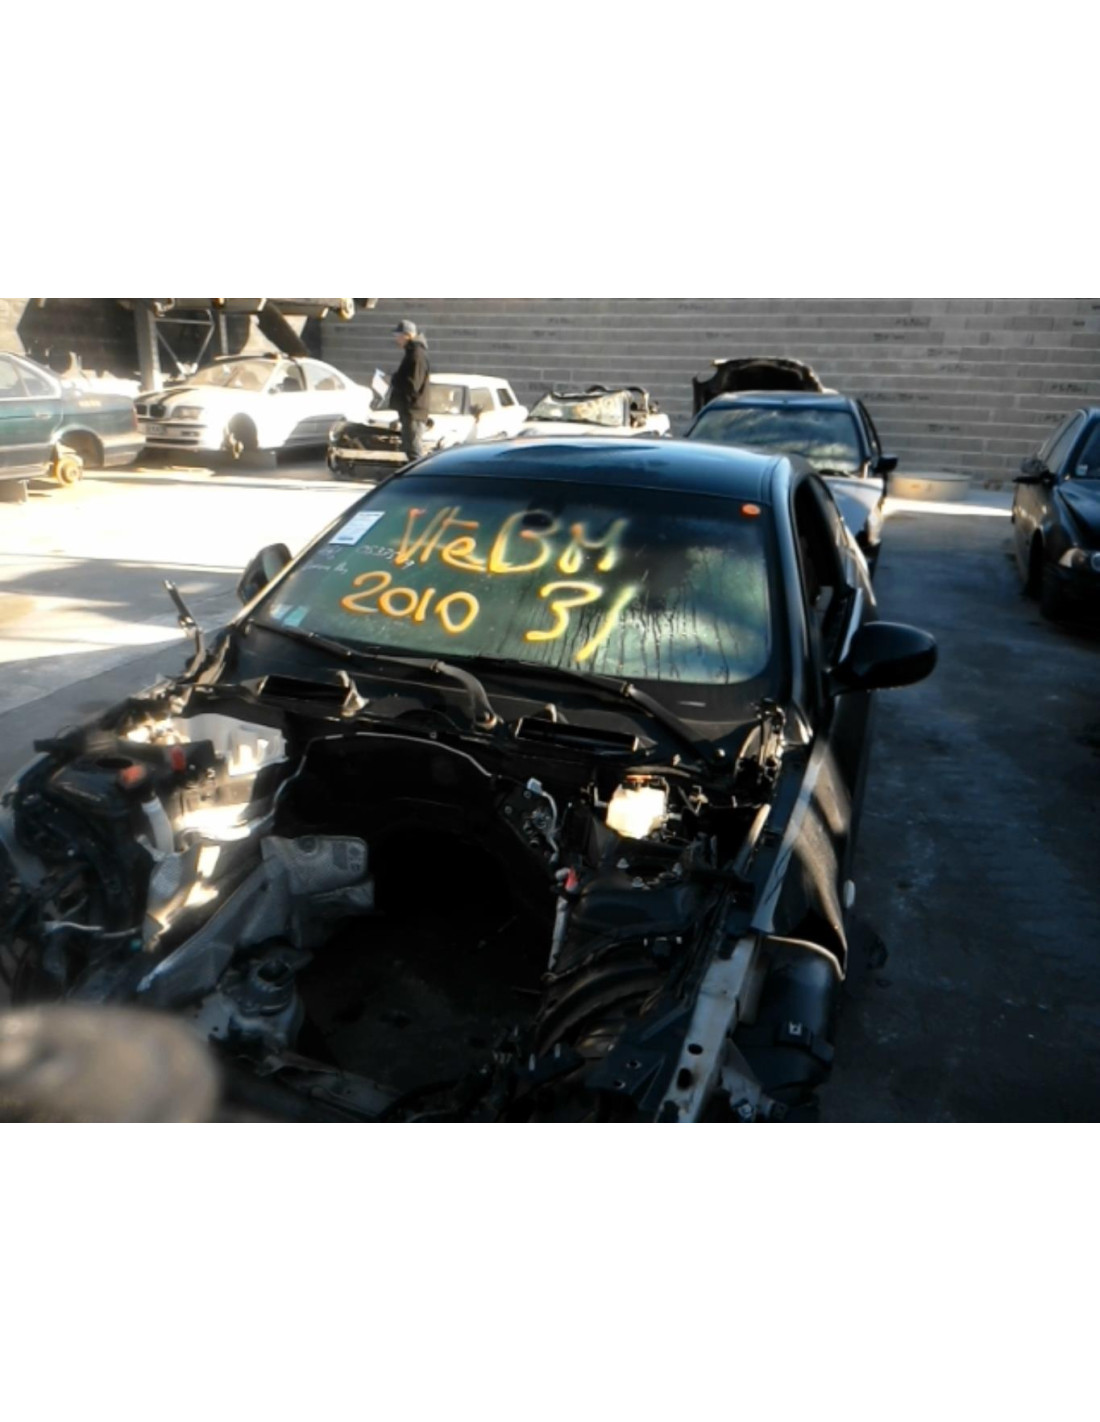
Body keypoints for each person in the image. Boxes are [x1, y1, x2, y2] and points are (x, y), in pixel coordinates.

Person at [389, 319, 431, 461]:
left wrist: (394, 380)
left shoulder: (416, 355)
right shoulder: (412, 353)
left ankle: (420, 475)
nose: (396, 340)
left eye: (398, 336)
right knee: (410, 450)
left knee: (414, 453)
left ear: (407, 335)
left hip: (414, 412)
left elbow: (413, 385)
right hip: (410, 411)